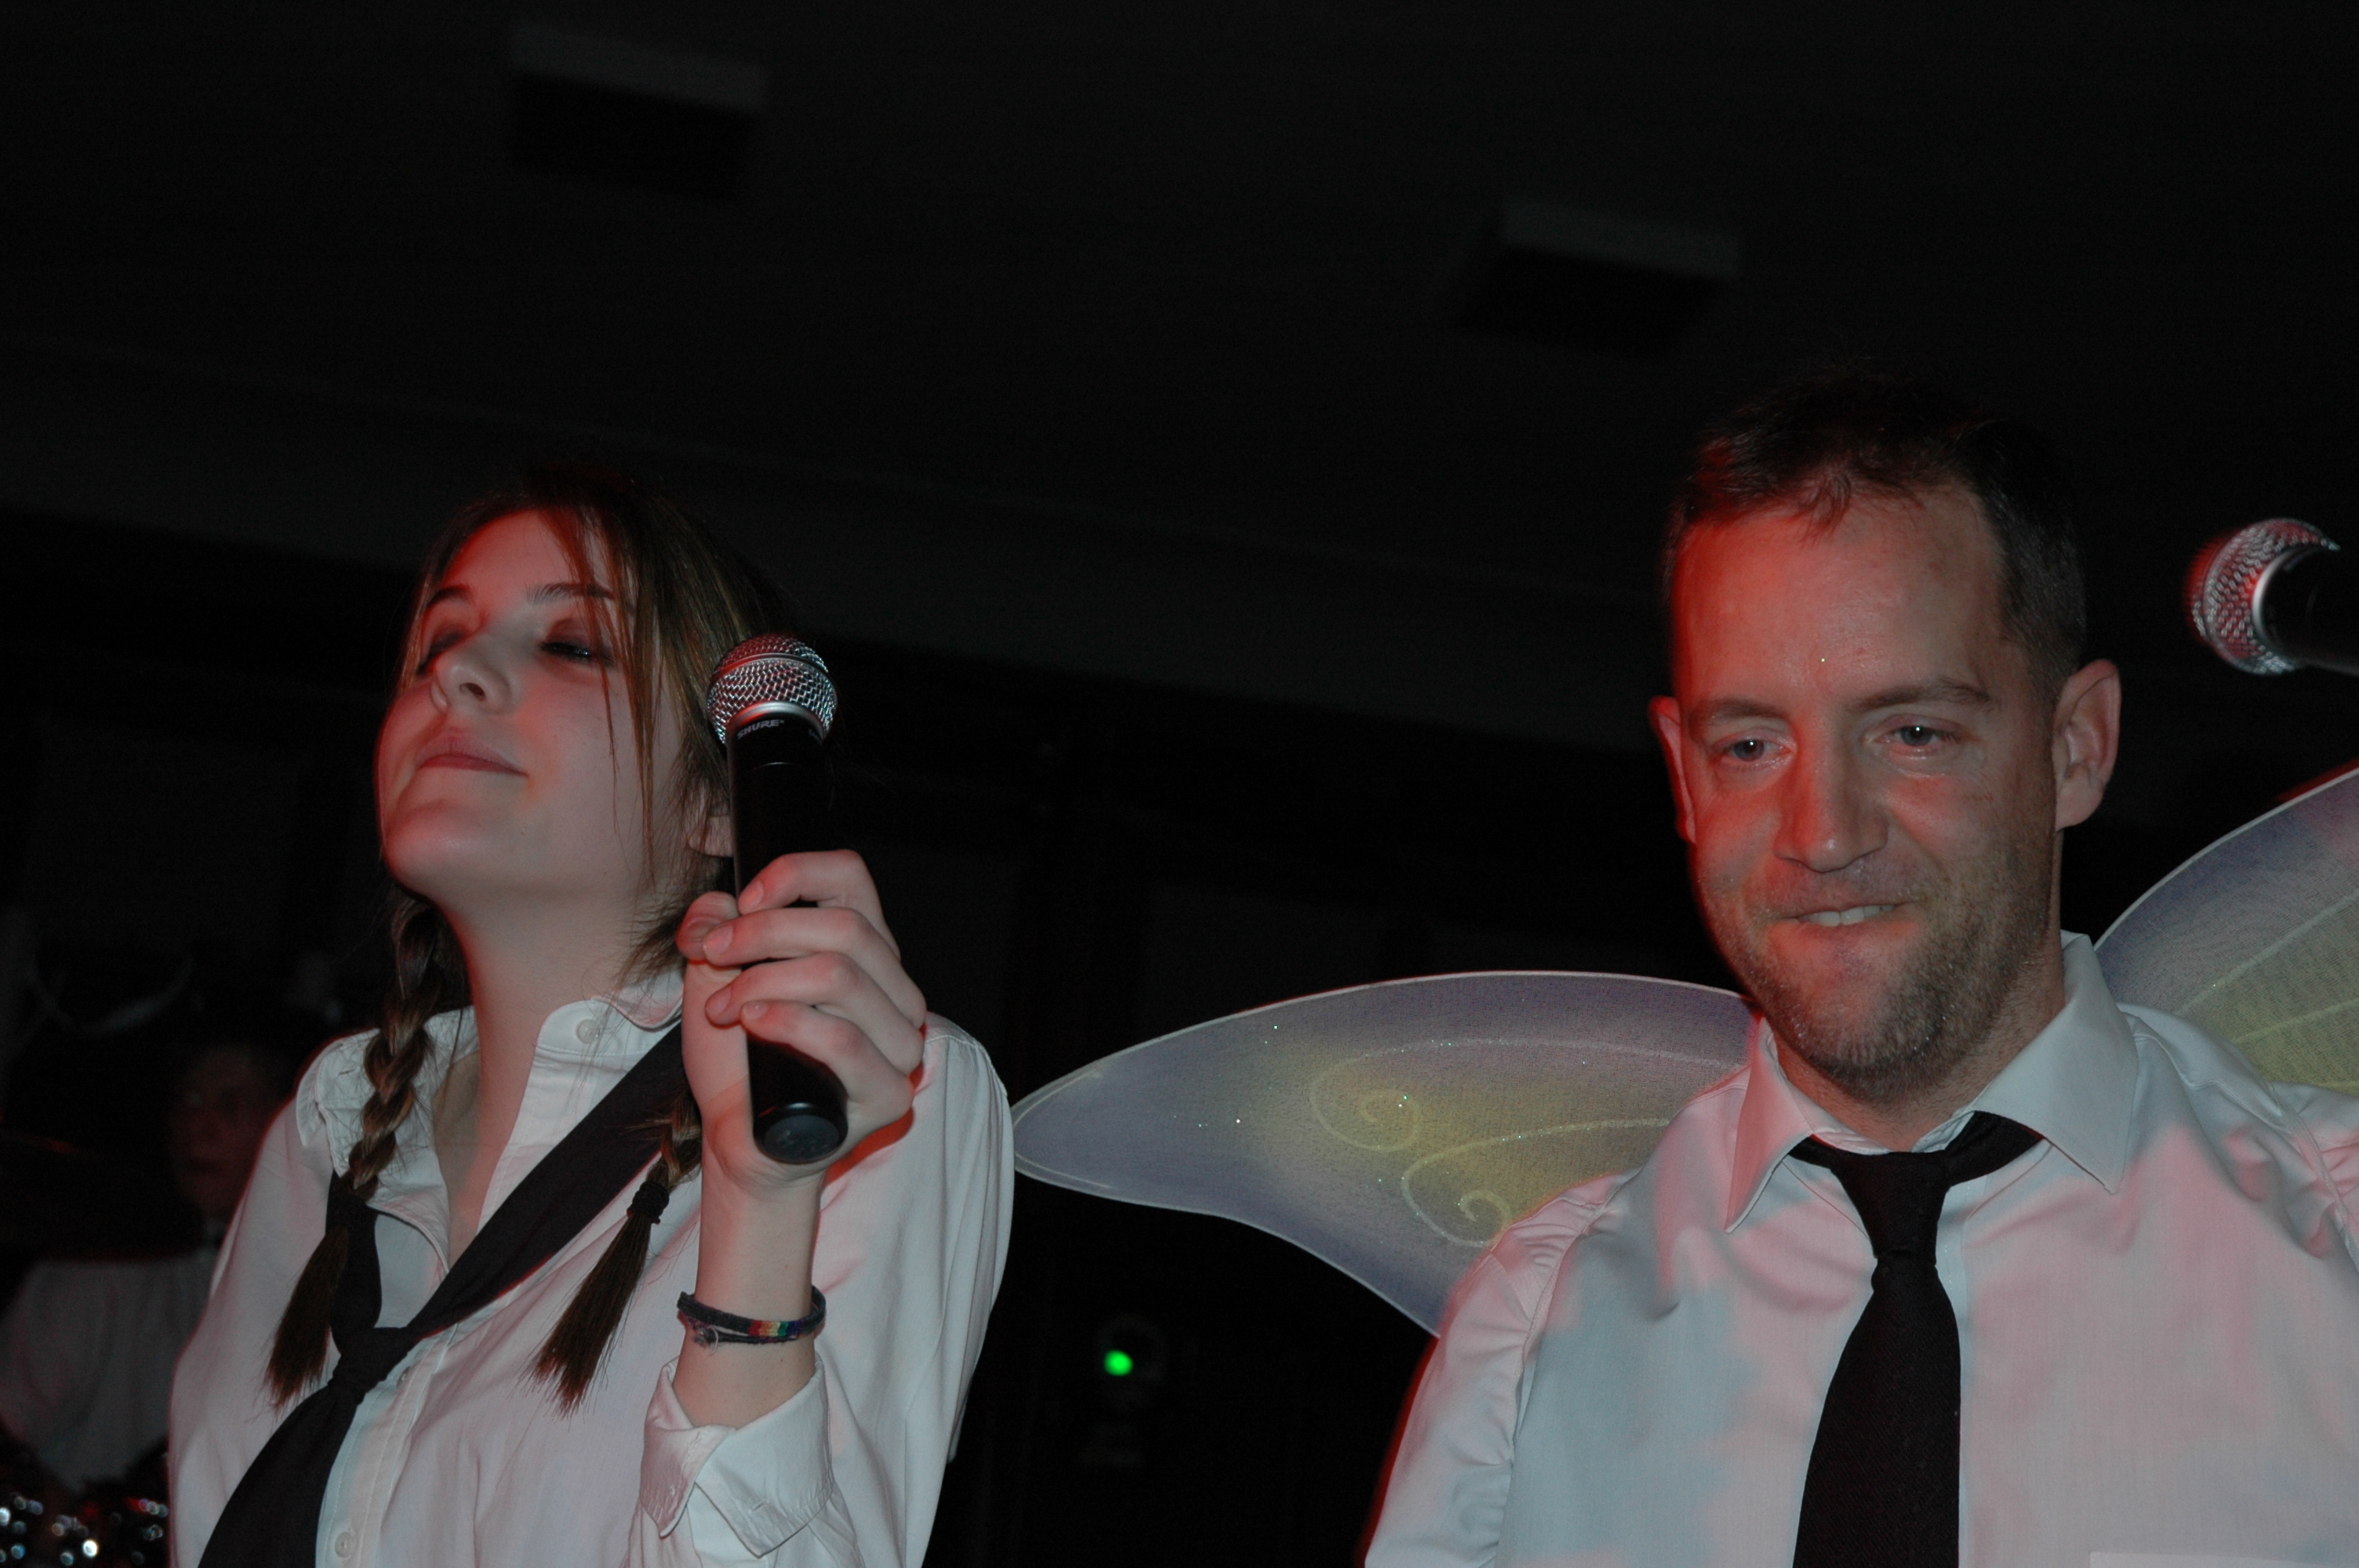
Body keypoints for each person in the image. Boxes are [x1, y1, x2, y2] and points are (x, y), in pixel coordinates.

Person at [1366, 369, 2359, 1566]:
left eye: (1912, 733)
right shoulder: (1532, 1329)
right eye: (1750, 745)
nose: (1824, 833)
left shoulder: (2338, 1244)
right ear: (1682, 776)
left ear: (2077, 748)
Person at [168, 467, 1012, 1566]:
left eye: (570, 644)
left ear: (718, 801)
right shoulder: (323, 1133)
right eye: (436, 644)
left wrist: (759, 1205)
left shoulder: (872, 1086)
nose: (456, 671)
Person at [0, 1022, 295, 1493]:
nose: (198, 1123)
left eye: (230, 1104)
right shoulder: (100, 1267)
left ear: (283, 1125)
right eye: (189, 1099)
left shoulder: (306, 1285)